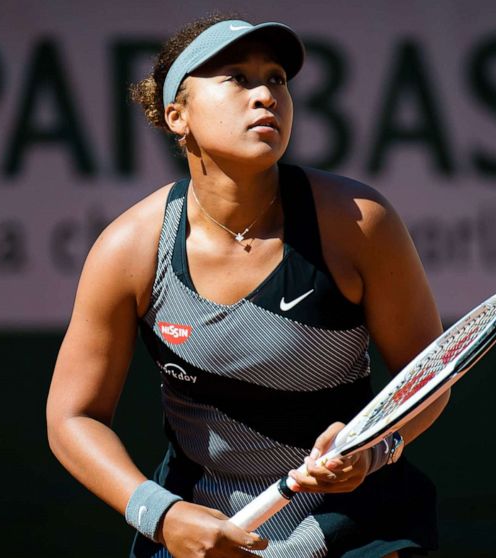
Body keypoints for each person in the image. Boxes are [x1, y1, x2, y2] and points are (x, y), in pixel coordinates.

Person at [47, 14, 447, 558]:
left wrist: (374, 452)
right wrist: (160, 514)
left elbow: (428, 378)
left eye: (276, 79)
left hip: (356, 527)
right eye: (236, 77)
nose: (265, 95)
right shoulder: (130, 249)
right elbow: (73, 418)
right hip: (199, 527)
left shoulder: (359, 223)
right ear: (177, 115)